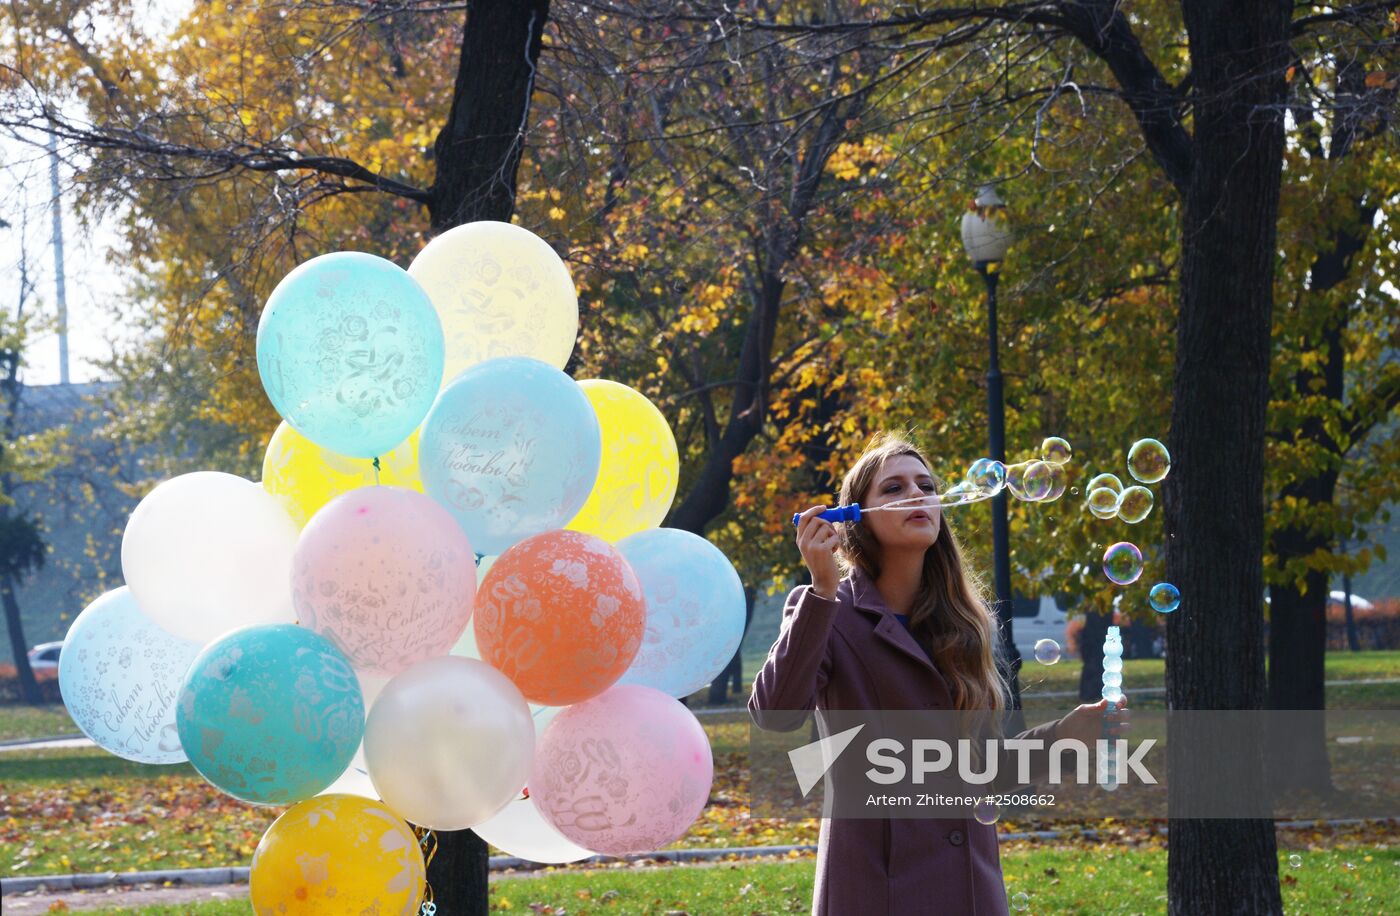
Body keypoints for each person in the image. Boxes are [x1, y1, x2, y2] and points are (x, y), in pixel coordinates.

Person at [749, 433, 1125, 915]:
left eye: (925, 485)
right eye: (893, 488)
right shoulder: (826, 611)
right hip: (875, 889)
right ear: (856, 517)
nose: (916, 494)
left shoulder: (965, 623)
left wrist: (1065, 737)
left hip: (969, 885)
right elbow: (775, 715)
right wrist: (821, 588)